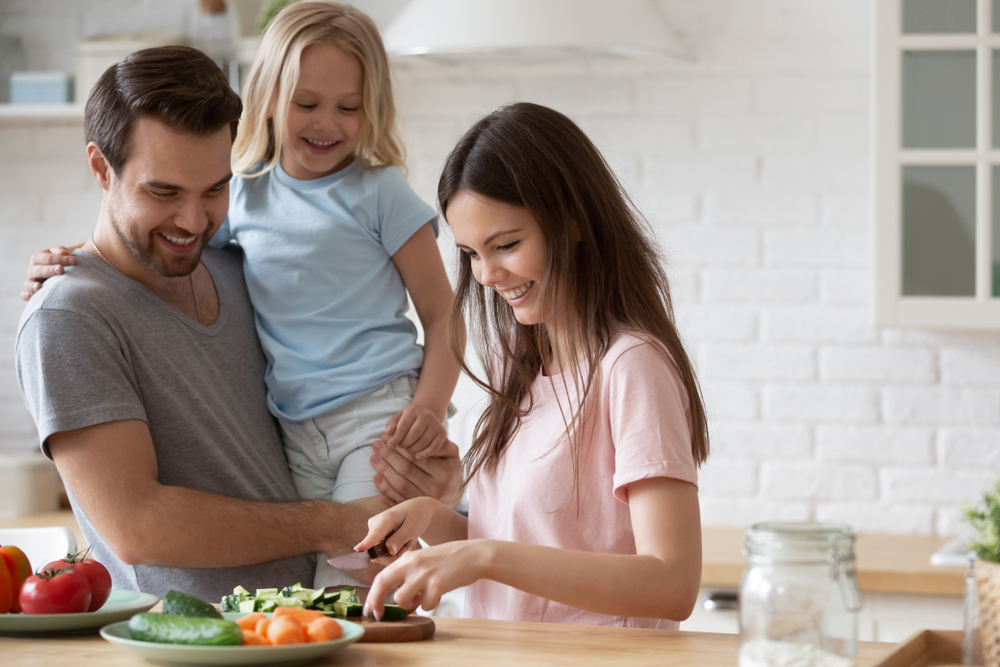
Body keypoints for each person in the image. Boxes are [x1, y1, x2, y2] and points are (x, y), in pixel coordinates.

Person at [22, 2, 463, 590]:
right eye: (163, 190)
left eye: (213, 190)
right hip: (207, 640)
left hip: (306, 621)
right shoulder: (70, 313)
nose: (192, 220)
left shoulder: (233, 262)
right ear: (102, 170)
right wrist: (338, 524)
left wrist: (428, 456)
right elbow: (137, 525)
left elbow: (432, 314)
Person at [355, 103, 710, 629]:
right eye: (472, 253)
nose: (487, 275)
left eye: (507, 245)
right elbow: (527, 545)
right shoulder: (515, 364)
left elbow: (672, 583)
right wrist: (435, 521)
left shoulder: (631, 366)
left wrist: (482, 556)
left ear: (574, 222)